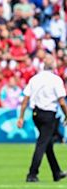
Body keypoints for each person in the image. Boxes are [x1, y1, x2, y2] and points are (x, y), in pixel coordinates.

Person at [17, 54, 67, 182]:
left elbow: (25, 99)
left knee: (47, 143)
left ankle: (56, 172)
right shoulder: (56, 80)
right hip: (48, 114)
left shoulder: (35, 79)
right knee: (42, 143)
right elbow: (61, 102)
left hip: (36, 114)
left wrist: (21, 117)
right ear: (54, 66)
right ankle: (32, 174)